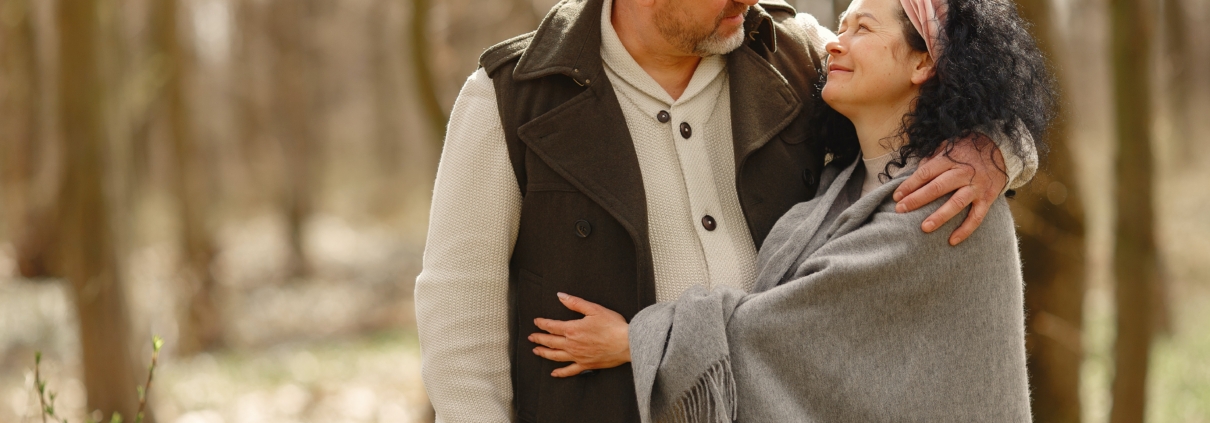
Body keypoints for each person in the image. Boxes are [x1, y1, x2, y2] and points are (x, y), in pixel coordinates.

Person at [414, 0, 1039, 420]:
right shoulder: (510, 96)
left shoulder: (792, 52)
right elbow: (460, 320)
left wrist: (997, 149)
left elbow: (945, 70)